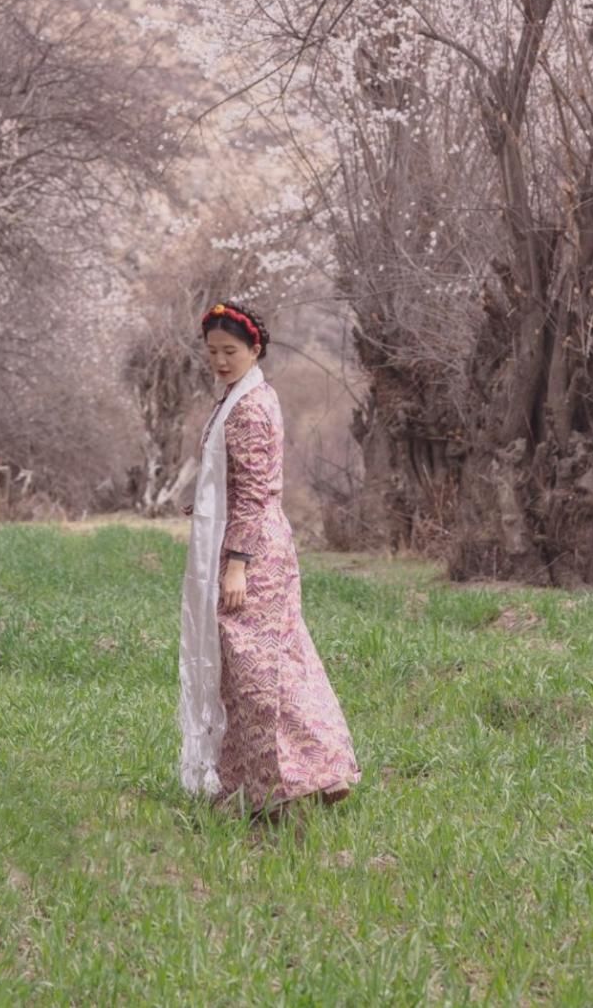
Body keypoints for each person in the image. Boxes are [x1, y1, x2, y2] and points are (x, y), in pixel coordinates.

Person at [177, 299, 359, 815]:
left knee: (255, 674)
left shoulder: (252, 406)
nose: (219, 361)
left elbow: (258, 494)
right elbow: (239, 482)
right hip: (251, 543)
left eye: (230, 351)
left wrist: (237, 563)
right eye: (212, 351)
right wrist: (206, 503)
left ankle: (270, 787)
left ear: (255, 348)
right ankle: (318, 770)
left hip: (252, 556)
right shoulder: (239, 396)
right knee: (277, 664)